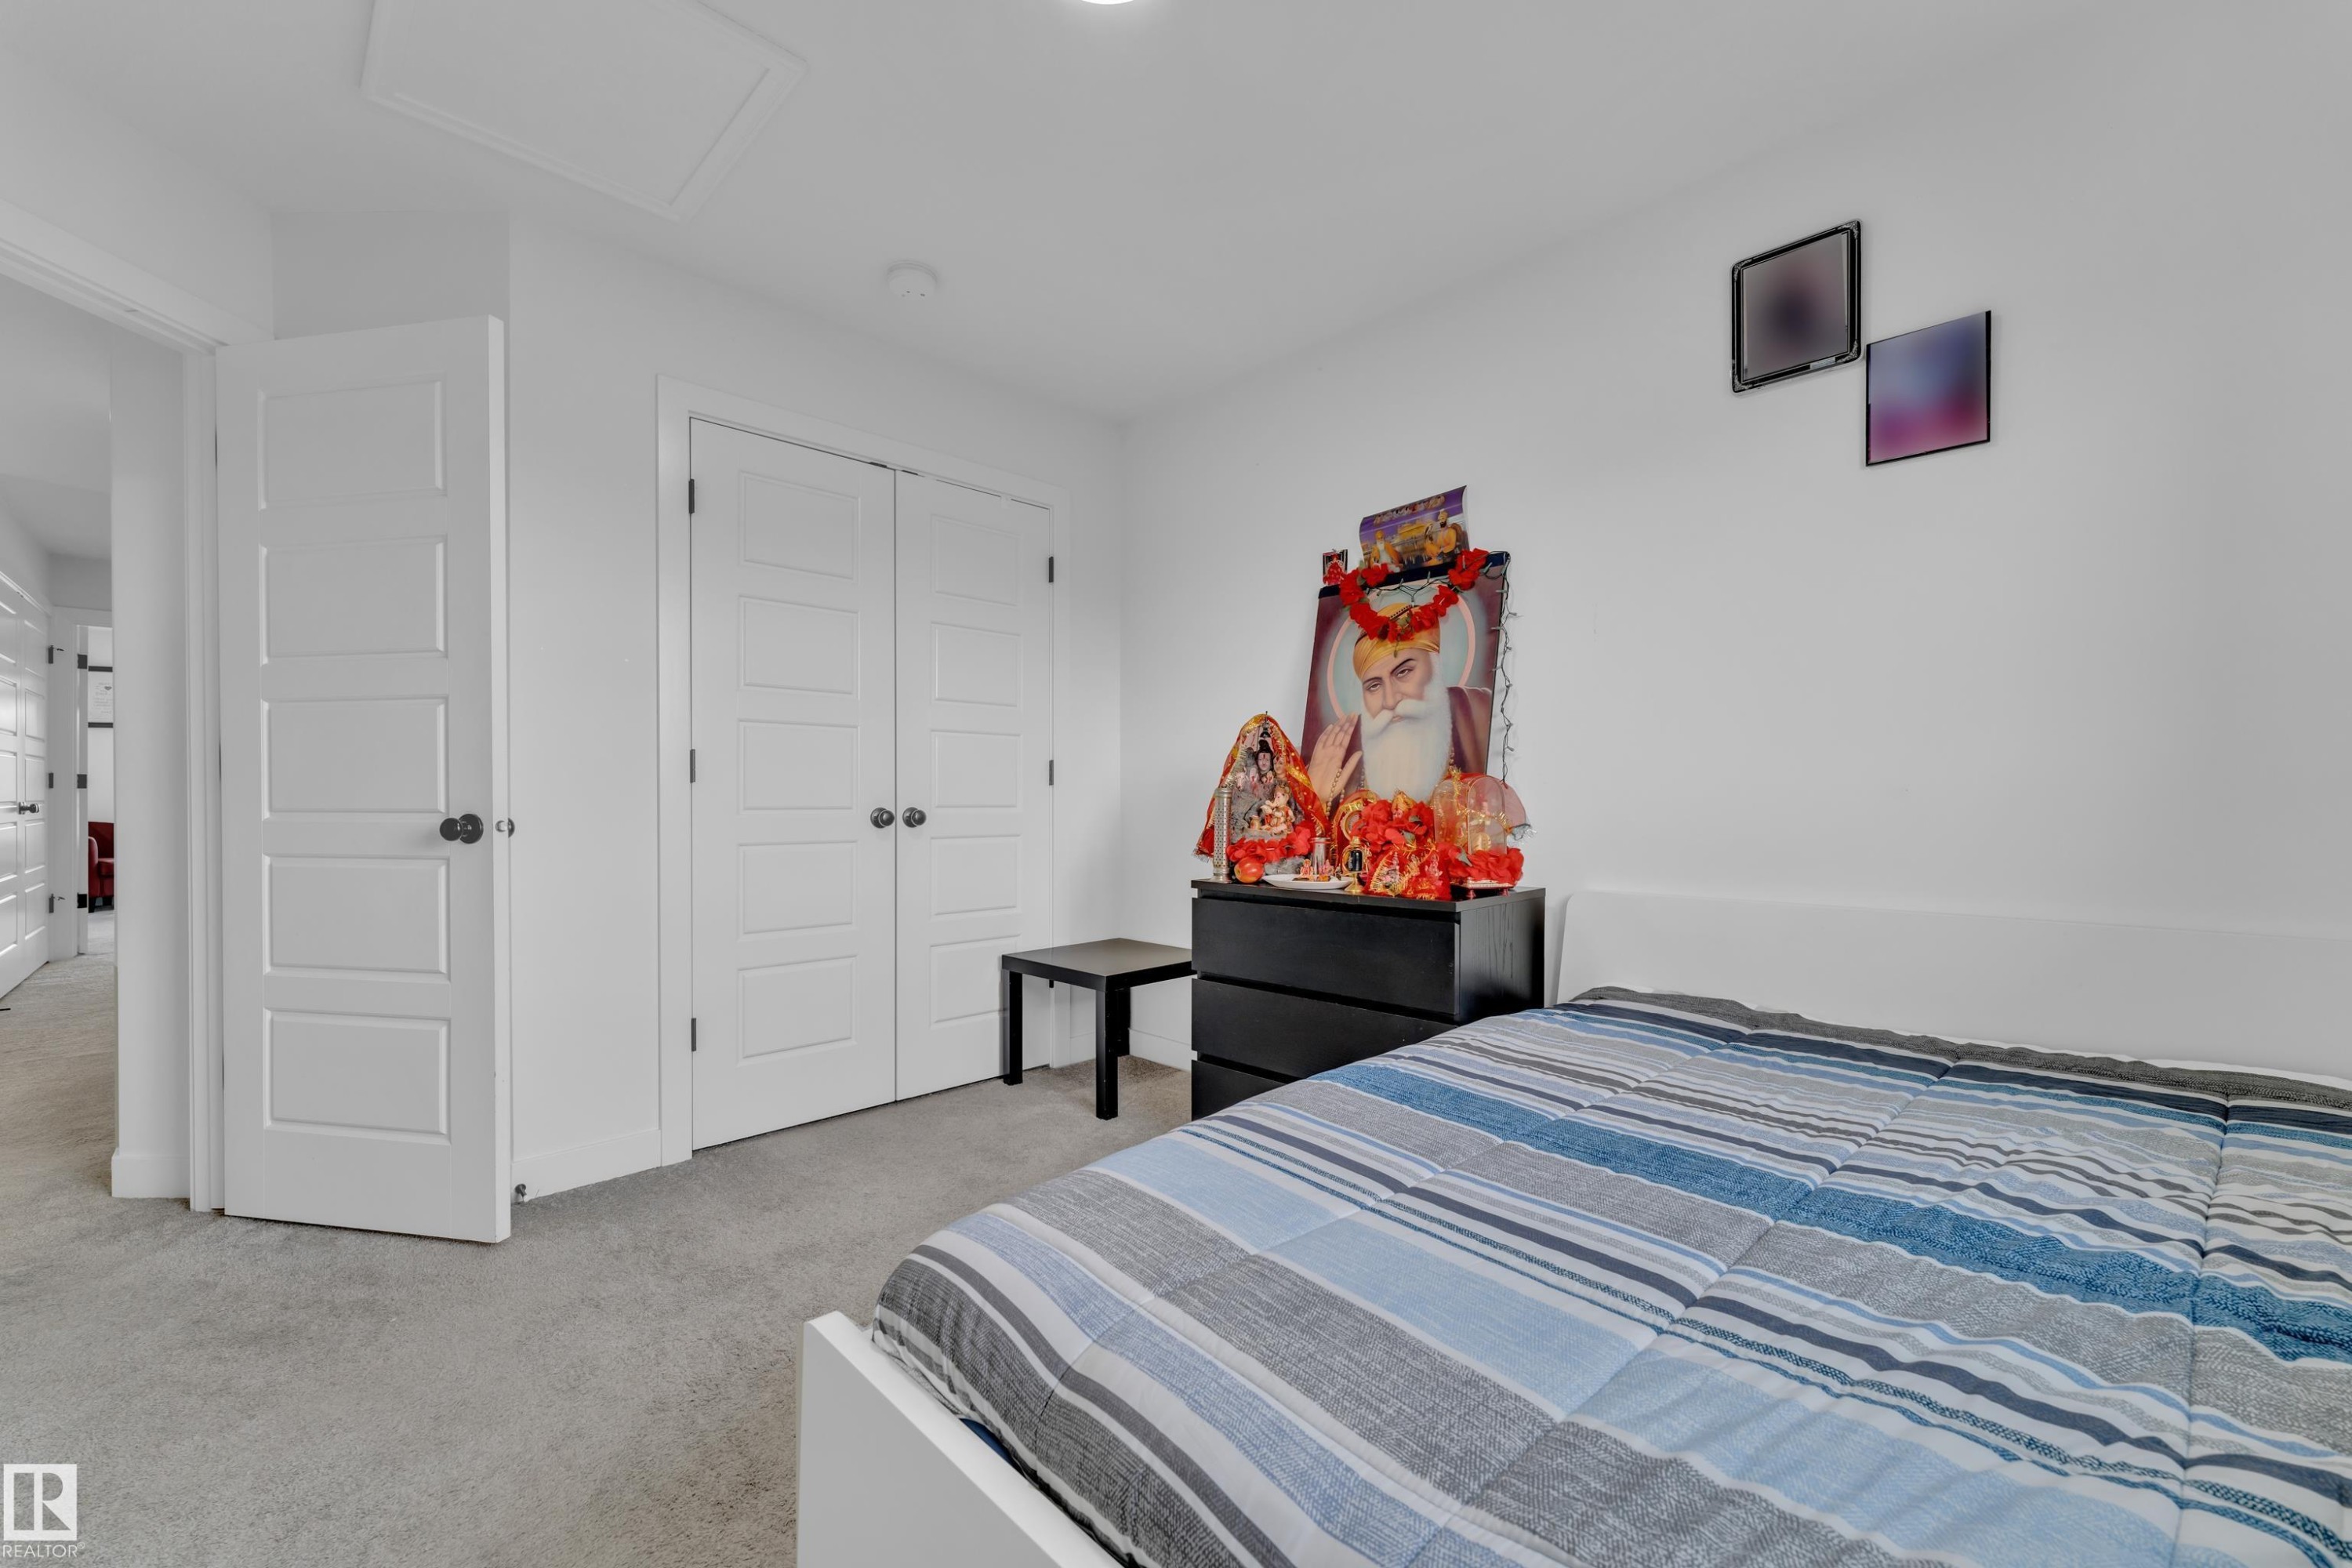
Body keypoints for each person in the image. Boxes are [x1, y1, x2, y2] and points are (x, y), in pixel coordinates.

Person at [1307, 615, 1491, 805]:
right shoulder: (1339, 753)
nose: (1390, 700)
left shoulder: (1478, 711)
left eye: (1403, 672)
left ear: (1435, 666)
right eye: (1374, 686)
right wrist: (1316, 798)